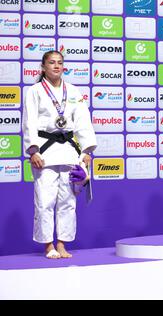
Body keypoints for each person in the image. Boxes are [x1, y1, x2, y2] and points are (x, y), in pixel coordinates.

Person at [22, 51, 97, 259]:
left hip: (69, 150)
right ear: (43, 67)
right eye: (52, 63)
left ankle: (62, 243)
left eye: (60, 63)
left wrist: (87, 150)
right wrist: (33, 150)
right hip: (45, 149)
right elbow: (29, 122)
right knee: (45, 200)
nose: (56, 66)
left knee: (68, 200)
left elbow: (83, 121)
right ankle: (48, 245)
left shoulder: (73, 91)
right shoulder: (35, 91)